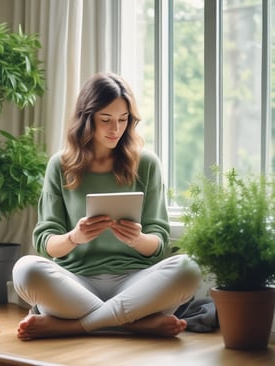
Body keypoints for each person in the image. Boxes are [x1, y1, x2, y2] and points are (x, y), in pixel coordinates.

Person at [12, 72, 201, 341]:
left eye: (123, 120)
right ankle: (133, 324)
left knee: (189, 269)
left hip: (134, 284)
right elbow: (46, 242)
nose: (116, 129)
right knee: (26, 269)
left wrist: (137, 239)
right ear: (86, 119)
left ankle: (74, 327)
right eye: (106, 120)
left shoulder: (146, 164)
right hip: (76, 283)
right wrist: (74, 237)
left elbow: (159, 243)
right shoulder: (61, 165)